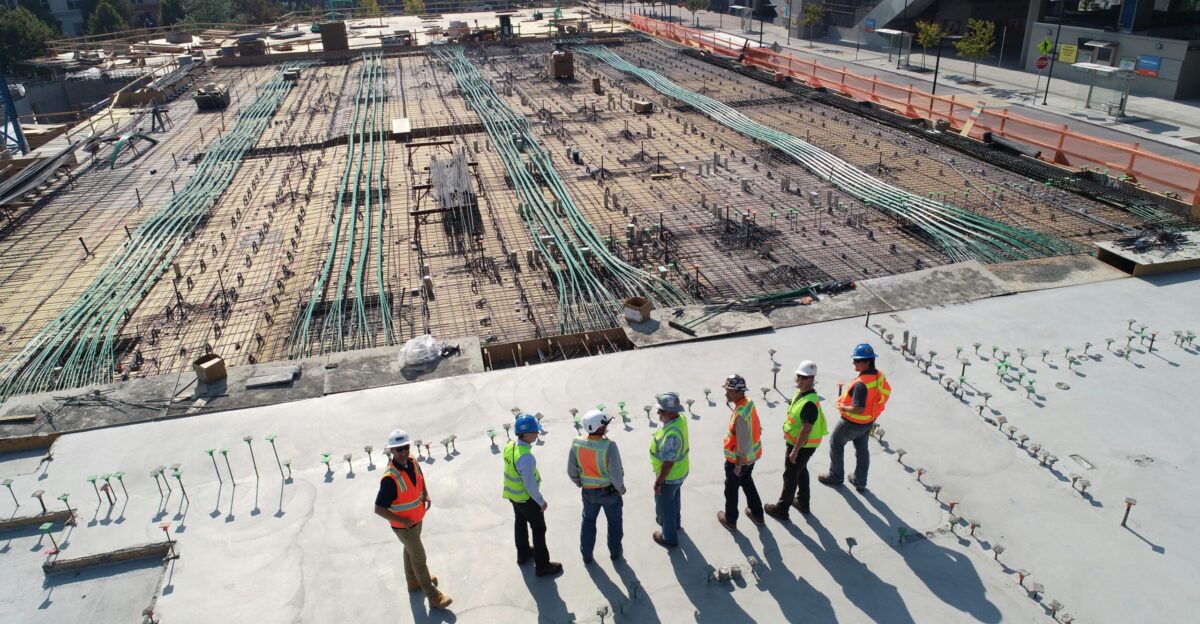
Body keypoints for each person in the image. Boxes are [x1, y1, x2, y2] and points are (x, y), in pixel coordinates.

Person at [374, 429, 453, 610]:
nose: (403, 452)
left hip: (416, 519)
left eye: (405, 447)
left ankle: (413, 582)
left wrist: (425, 493)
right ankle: (433, 596)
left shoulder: (412, 461)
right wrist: (402, 522)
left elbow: (420, 477)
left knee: (409, 550)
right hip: (404, 526)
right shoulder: (390, 478)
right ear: (391, 451)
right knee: (419, 557)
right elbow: (379, 509)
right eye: (398, 449)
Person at [820, 343, 892, 492]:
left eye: (857, 360)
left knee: (836, 443)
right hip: (869, 420)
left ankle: (836, 476)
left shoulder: (861, 384)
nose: (853, 363)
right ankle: (860, 481)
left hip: (852, 422)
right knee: (862, 449)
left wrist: (842, 407)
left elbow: (858, 409)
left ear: (866, 362)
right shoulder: (878, 375)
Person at [765, 361, 827, 520]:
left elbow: (806, 429)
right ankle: (803, 502)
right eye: (798, 375)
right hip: (801, 444)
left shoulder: (809, 403)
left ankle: (782, 509)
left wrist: (795, 450)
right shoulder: (802, 394)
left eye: (804, 377)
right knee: (801, 470)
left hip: (802, 446)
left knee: (790, 476)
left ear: (811, 379)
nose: (799, 379)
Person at [503, 413, 563, 577]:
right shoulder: (526, 457)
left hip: (512, 496)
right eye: (535, 431)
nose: (538, 433)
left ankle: (523, 554)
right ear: (527, 434)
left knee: (520, 522)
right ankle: (543, 566)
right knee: (539, 529)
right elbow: (529, 484)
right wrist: (541, 501)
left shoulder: (510, 446)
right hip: (526, 499)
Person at [567, 409, 626, 563]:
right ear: (600, 428)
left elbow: (571, 470)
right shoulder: (609, 446)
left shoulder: (577, 443)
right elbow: (616, 474)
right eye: (605, 424)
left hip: (588, 492)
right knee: (614, 522)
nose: (607, 427)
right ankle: (614, 552)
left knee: (588, 522)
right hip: (609, 493)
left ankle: (587, 554)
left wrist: (579, 482)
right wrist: (621, 489)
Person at [718, 374, 764, 530]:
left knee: (731, 490)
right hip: (751, 458)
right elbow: (756, 423)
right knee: (747, 482)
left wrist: (737, 466)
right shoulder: (748, 403)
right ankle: (758, 514)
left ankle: (730, 520)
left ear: (739, 392)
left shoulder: (741, 415)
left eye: (729, 391)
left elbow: (742, 445)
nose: (726, 394)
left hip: (739, 462)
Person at [650, 392, 689, 547]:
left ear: (672, 412)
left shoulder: (671, 435)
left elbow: (668, 462)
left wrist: (659, 482)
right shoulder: (680, 419)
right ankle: (676, 524)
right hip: (681, 472)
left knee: (665, 507)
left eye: (662, 411)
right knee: (674, 499)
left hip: (670, 476)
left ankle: (669, 537)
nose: (658, 413)